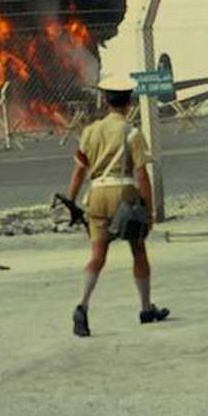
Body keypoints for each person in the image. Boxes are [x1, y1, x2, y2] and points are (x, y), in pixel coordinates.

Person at [64, 74, 169, 337]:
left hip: (97, 195)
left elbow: (79, 171)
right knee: (138, 251)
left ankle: (82, 306)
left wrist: (71, 200)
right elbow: (142, 174)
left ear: (105, 101)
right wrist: (149, 211)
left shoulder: (89, 131)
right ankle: (146, 308)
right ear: (129, 102)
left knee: (97, 256)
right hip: (125, 196)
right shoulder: (132, 133)